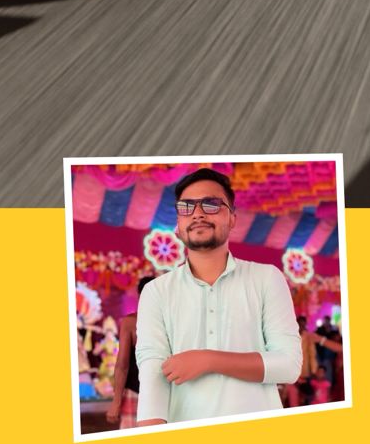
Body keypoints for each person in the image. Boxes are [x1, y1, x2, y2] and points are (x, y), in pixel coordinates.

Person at [135, 168, 301, 426]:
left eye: (211, 204)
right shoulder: (156, 291)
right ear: (178, 224)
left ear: (232, 218)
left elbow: (289, 366)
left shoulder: (266, 278)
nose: (198, 213)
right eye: (186, 207)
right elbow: (152, 372)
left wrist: (208, 360)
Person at [105, 276, 153, 428]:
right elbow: (122, 365)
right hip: (146, 392)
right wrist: (116, 402)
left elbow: (122, 365)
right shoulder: (131, 322)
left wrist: (116, 402)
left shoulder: (131, 322)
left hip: (148, 392)